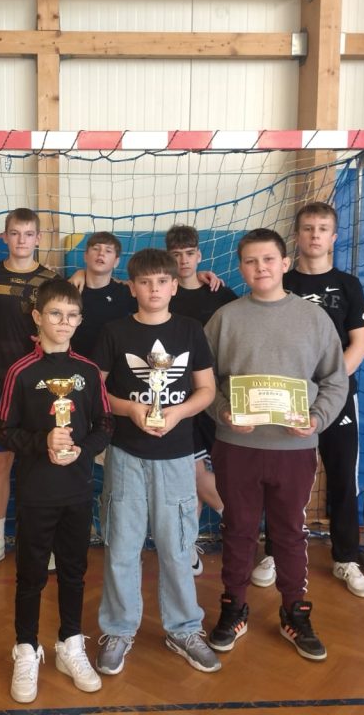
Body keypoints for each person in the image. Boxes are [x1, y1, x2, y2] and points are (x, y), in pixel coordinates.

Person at [203, 228, 347, 662]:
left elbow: (335, 379)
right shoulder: (224, 318)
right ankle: (233, 607)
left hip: (294, 450)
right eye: (250, 261)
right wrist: (223, 412)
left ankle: (295, 612)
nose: (260, 267)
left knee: (289, 532)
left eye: (268, 259)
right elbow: (204, 382)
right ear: (241, 267)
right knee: (238, 530)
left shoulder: (314, 319)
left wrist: (317, 418)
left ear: (285, 263)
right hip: (237, 446)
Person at [91, 248, 221, 675]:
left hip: (177, 456)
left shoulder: (189, 330)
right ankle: (118, 629)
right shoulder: (114, 332)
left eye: (162, 282)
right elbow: (97, 392)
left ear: (173, 285)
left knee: (178, 547)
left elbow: (206, 390)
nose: (154, 289)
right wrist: (131, 409)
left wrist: (178, 413)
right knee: (122, 547)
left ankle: (184, 628)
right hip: (126, 454)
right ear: (131, 287)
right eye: (145, 282)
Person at [0, 278, 113, 704]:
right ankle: (26, 649)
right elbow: (3, 430)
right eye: (55, 314)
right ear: (38, 317)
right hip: (36, 491)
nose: (64, 322)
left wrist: (84, 450)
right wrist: (41, 442)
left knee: (74, 572)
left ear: (80, 320)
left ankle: (70, 644)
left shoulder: (87, 371)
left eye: (72, 315)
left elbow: (105, 425)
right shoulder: (21, 371)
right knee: (30, 575)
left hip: (77, 489)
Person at [249, 203, 364, 598]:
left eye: (322, 228)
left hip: (337, 400)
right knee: (283, 481)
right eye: (307, 228)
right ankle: (275, 553)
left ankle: (346, 557)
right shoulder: (280, 281)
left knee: (342, 477)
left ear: (333, 237)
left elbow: (359, 345)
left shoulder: (348, 285)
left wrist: (326, 389)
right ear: (296, 235)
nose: (315, 235)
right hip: (287, 400)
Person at [0, 208, 59, 576]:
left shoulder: (52, 281)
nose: (21, 240)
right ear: (5, 236)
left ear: (38, 238)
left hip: (40, 387)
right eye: (15, 233)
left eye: (28, 234)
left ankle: (40, 544)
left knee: (41, 464)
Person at [165, 224, 238, 576]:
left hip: (217, 394)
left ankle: (235, 525)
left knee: (214, 470)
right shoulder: (162, 292)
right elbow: (124, 286)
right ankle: (194, 543)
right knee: (189, 472)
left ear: (200, 255)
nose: (183, 260)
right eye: (176, 255)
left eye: (189, 253)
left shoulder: (219, 293)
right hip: (177, 397)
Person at [71, 232, 136, 360]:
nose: (101, 253)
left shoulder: (125, 292)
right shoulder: (70, 289)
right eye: (96, 248)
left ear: (116, 261)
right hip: (75, 363)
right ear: (85, 256)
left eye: (108, 250)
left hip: (113, 363)